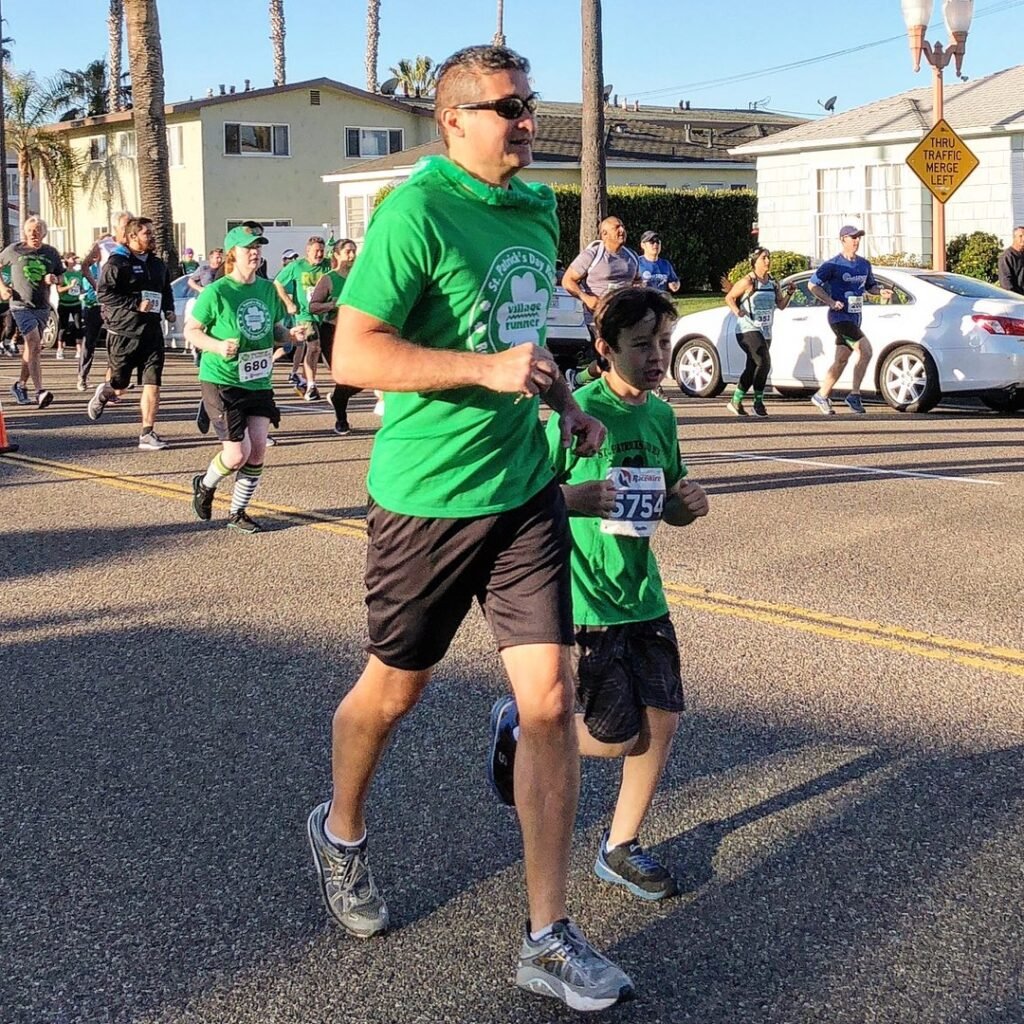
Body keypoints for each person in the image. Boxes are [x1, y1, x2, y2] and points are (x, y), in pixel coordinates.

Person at [311, 43, 635, 1012]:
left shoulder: (535, 209)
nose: (524, 121)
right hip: (425, 498)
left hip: (522, 486)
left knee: (547, 702)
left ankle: (545, 935)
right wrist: (483, 370)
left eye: (529, 105)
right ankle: (342, 830)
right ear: (453, 121)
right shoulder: (413, 210)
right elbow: (351, 352)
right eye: (505, 108)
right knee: (393, 692)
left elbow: (526, 330)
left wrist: (566, 398)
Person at [487, 286, 709, 902]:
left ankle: (620, 845)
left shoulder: (661, 416)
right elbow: (524, 504)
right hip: (585, 597)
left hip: (643, 592)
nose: (657, 356)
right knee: (613, 737)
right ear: (604, 348)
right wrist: (577, 500)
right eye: (642, 345)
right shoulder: (575, 413)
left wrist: (688, 505)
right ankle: (520, 730)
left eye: (663, 343)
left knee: (662, 717)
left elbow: (665, 499)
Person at [186, 225, 308, 533]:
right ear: (233, 254)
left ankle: (238, 512)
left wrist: (289, 335)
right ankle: (205, 483)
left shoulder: (267, 289)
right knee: (236, 454)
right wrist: (217, 345)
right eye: (247, 248)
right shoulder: (217, 292)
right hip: (222, 378)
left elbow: (274, 330)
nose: (255, 252)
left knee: (257, 450)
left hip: (257, 379)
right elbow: (192, 331)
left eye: (258, 247)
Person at [89, 216, 175, 449]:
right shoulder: (118, 262)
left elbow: (165, 289)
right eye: (147, 233)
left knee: (153, 383)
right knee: (120, 386)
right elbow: (104, 294)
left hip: (151, 331)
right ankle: (105, 392)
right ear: (131, 237)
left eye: (152, 232)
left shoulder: (157, 264)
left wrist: (168, 309)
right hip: (124, 331)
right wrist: (135, 303)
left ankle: (147, 433)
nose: (152, 237)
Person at [806, 225, 891, 416]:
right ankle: (854, 395)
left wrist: (880, 292)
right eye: (853, 238)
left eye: (859, 237)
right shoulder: (833, 265)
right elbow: (812, 285)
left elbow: (871, 287)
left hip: (855, 317)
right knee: (866, 350)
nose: (857, 241)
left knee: (842, 359)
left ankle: (822, 395)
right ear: (843, 239)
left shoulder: (864, 264)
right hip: (839, 317)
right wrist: (829, 301)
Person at [562, 217, 640, 391]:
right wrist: (585, 297)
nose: (622, 230)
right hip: (598, 317)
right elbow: (568, 280)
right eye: (617, 227)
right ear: (604, 233)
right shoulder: (593, 255)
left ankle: (576, 378)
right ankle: (611, 395)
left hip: (623, 317)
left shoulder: (631, 257)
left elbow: (637, 281)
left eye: (623, 226)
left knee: (611, 359)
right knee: (610, 358)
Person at [0, 216, 63, 409]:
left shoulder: (51, 253)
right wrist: (2, 287)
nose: (33, 234)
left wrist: (54, 279)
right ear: (25, 233)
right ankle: (40, 391)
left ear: (43, 233)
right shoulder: (14, 250)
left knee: (32, 348)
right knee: (34, 342)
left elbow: (61, 276)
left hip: (42, 306)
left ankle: (20, 385)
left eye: (37, 230)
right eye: (30, 231)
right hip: (20, 304)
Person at [724, 247, 795, 417]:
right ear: (755, 261)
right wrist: (737, 311)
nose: (768, 261)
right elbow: (729, 297)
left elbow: (781, 305)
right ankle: (758, 402)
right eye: (764, 258)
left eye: (768, 257)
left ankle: (736, 401)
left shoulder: (773, 283)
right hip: (747, 328)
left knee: (752, 366)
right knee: (764, 362)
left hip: (765, 331)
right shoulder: (748, 281)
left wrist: (790, 293)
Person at [308, 238, 358, 433]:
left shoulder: (361, 277)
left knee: (363, 376)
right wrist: (333, 304)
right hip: (333, 331)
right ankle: (341, 419)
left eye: (354, 251)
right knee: (343, 377)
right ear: (336, 255)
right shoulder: (329, 278)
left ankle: (337, 398)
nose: (352, 256)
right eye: (348, 252)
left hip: (356, 331)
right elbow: (314, 306)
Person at [273, 235, 330, 401]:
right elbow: (278, 283)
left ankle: (304, 382)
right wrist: (289, 303)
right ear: (308, 251)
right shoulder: (297, 266)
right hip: (304, 314)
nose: (319, 254)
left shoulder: (327, 266)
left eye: (321, 251)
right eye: (316, 251)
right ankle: (311, 386)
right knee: (314, 346)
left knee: (311, 349)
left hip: (324, 312)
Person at [81, 210, 133, 289]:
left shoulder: (136, 245)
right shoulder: (103, 245)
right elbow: (85, 266)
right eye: (124, 227)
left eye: (131, 227)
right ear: (115, 228)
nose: (129, 231)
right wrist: (96, 286)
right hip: (109, 294)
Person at [56, 252, 86, 365]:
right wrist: (70, 286)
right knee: (63, 326)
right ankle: (60, 349)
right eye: (72, 259)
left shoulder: (78, 273)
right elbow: (59, 290)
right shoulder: (63, 274)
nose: (74, 260)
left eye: (75, 258)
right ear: (67, 260)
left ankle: (78, 350)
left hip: (76, 303)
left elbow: (81, 288)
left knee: (78, 326)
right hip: (64, 304)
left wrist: (82, 290)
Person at [77, 276, 103, 392]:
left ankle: (118, 378)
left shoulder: (115, 261)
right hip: (92, 306)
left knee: (116, 341)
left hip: (111, 306)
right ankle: (82, 376)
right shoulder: (89, 266)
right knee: (89, 342)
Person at [997, 226, 1024, 296]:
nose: (1023, 238)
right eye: (1020, 236)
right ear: (1014, 238)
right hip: (1017, 299)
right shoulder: (1007, 257)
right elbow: (1006, 284)